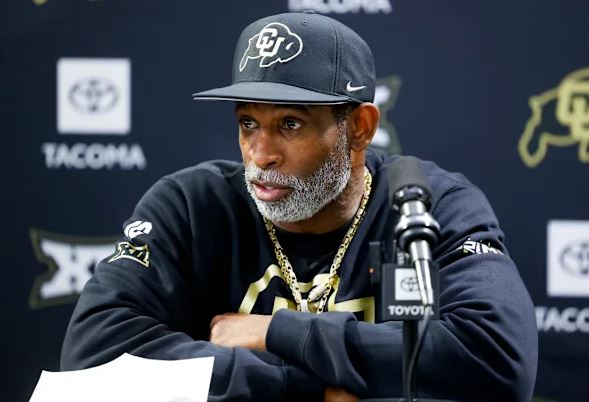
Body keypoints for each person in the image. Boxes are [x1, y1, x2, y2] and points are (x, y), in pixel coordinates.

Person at [61, 12, 538, 402]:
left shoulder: (424, 205)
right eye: (248, 123)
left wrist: (278, 332)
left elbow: (498, 359)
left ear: (359, 129)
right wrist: (303, 386)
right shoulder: (190, 206)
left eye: (290, 124)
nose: (260, 154)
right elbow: (93, 356)